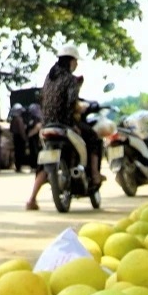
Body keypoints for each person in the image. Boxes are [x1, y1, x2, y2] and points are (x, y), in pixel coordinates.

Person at [27, 49, 99, 210]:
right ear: (70, 61)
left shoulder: (49, 78)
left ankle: (31, 199)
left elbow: (42, 100)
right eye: (75, 61)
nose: (77, 64)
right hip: (64, 125)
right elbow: (71, 104)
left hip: (46, 126)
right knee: (93, 138)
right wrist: (73, 123)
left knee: (44, 163)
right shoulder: (71, 79)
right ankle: (95, 175)